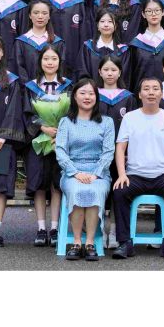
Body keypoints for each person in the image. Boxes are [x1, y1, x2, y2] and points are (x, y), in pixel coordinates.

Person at [111, 78, 164, 259]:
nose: (151, 92)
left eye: (155, 89)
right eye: (146, 89)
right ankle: (124, 243)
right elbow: (120, 148)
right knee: (120, 191)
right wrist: (122, 174)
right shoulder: (130, 118)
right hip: (135, 175)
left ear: (161, 93)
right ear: (139, 94)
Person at [53, 80, 114, 261]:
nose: (87, 97)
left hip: (99, 173)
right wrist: (75, 173)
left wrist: (96, 174)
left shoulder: (107, 122)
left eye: (91, 93)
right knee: (78, 190)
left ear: (96, 97)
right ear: (74, 96)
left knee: (94, 190)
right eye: (82, 93)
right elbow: (61, 151)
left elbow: (108, 152)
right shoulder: (66, 122)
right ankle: (77, 241)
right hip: (72, 172)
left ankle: (90, 243)